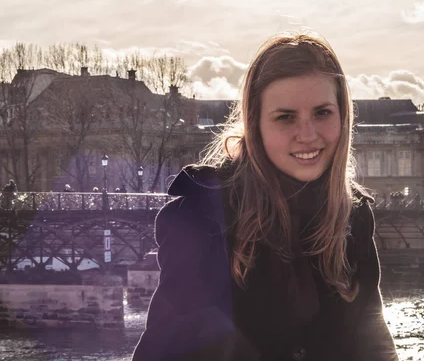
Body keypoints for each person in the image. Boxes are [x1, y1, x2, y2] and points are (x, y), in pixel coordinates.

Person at [132, 33, 399, 361]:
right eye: (285, 117)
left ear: (343, 118)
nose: (308, 135)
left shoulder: (353, 214)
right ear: (254, 124)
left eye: (322, 113)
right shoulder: (201, 218)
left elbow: (372, 341)